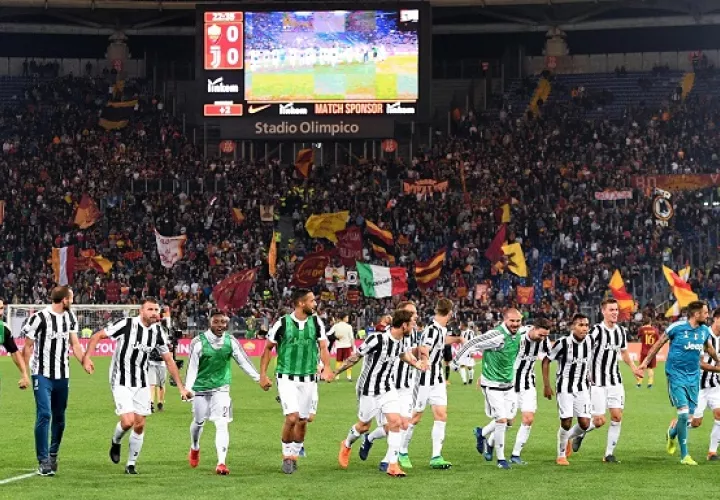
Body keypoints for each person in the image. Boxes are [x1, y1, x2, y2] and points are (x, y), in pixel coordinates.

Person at [82, 297, 191, 474]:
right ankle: (116, 441)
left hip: (142, 381)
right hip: (121, 380)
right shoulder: (126, 324)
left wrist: (181, 387)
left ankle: (131, 464)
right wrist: (87, 357)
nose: (155, 313)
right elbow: (97, 336)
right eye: (150, 309)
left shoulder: (158, 332)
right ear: (141, 311)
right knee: (128, 421)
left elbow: (169, 359)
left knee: (139, 425)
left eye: (156, 310)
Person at [335, 309, 426, 477]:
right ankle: (347, 443)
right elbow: (356, 356)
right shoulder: (377, 338)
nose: (413, 327)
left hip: (387, 388)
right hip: (368, 389)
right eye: (411, 325)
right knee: (363, 426)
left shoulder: (401, 341)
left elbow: (403, 355)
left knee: (396, 422)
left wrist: (417, 364)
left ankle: (392, 464)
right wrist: (336, 372)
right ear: (404, 325)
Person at [186, 310, 269, 475]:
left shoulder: (230, 341)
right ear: (210, 323)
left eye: (223, 322)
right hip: (200, 389)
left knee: (222, 423)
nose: (220, 326)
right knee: (198, 422)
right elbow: (192, 368)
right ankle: (195, 447)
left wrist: (259, 378)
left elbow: (243, 361)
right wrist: (187, 389)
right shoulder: (198, 342)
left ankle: (221, 463)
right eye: (216, 322)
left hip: (221, 388)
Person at [259, 288, 333, 474]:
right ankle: (286, 456)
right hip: (286, 377)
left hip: (309, 378)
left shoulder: (316, 322)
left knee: (303, 420)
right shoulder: (282, 323)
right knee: (292, 417)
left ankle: (294, 455)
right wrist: (263, 375)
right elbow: (268, 348)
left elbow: (323, 346)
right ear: (301, 303)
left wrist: (327, 367)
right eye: (312, 301)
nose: (315, 304)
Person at [639, 300, 720, 466]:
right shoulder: (676, 328)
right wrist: (644, 363)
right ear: (696, 314)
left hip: (693, 379)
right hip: (675, 376)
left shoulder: (704, 331)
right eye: (705, 313)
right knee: (683, 414)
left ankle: (672, 432)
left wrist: (718, 360)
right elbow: (658, 344)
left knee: (689, 417)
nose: (707, 315)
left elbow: (709, 349)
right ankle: (685, 455)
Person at [569, 299, 643, 463]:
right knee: (599, 420)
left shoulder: (621, 332)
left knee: (617, 417)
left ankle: (608, 454)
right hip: (597, 382)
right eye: (611, 310)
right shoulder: (595, 331)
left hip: (615, 381)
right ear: (603, 312)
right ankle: (576, 434)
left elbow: (624, 353)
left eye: (616, 309)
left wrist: (634, 369)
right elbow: (584, 350)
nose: (615, 312)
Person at [21, 286, 84, 476]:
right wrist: (25, 374)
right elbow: (28, 347)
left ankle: (53, 452)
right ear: (64, 299)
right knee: (44, 414)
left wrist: (84, 361)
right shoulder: (39, 318)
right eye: (71, 298)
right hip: (41, 374)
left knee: (59, 417)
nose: (72, 301)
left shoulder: (70, 318)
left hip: (62, 375)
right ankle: (43, 460)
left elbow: (74, 343)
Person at [452, 308, 523, 470]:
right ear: (505, 320)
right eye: (512, 321)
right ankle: (501, 459)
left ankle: (482, 433)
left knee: (510, 421)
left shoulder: (519, 334)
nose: (515, 324)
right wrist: (456, 362)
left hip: (509, 385)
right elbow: (471, 343)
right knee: (501, 420)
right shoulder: (496, 335)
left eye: (518, 321)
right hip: (492, 386)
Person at [401, 298, 462, 470]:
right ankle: (402, 451)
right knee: (415, 417)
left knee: (441, 415)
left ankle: (436, 456)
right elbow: (424, 347)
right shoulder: (432, 329)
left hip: (437, 379)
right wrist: (426, 360)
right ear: (450, 313)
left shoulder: (440, 330)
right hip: (424, 378)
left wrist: (458, 339)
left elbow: (441, 341)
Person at [358, 301, 418, 465]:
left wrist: (421, 361)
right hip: (386, 385)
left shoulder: (413, 333)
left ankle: (387, 459)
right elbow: (370, 359)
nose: (415, 317)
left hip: (406, 385)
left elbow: (413, 352)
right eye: (412, 313)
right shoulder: (386, 334)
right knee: (390, 425)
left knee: (404, 424)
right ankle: (371, 440)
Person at [541, 313, 593, 466]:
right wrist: (546, 385)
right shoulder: (562, 343)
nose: (584, 328)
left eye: (586, 325)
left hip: (583, 387)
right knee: (567, 422)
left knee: (585, 423)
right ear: (572, 327)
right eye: (580, 325)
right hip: (564, 387)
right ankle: (561, 455)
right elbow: (546, 361)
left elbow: (587, 361)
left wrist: (590, 375)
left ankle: (569, 437)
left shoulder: (590, 342)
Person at [506, 317, 552, 465]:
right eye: (541, 335)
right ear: (533, 328)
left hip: (528, 382)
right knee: (508, 420)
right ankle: (485, 436)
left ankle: (515, 455)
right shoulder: (517, 336)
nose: (543, 338)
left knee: (528, 418)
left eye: (546, 336)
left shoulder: (543, 340)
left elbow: (549, 358)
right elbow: (500, 356)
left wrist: (546, 385)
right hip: (510, 382)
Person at [690, 308, 720, 460]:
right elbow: (699, 362)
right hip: (699, 386)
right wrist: (718, 369)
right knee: (696, 422)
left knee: (719, 415)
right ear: (715, 318)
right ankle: (675, 427)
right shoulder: (703, 335)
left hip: (715, 385)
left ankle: (712, 452)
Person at [0, 299, 30, 398]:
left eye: (1, 309)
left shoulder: (3, 329)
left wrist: (24, 374)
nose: (0, 313)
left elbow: (15, 352)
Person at [148, 307, 172, 412]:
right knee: (152, 383)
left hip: (162, 361)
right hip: (151, 360)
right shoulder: (149, 328)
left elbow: (167, 316)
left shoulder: (165, 328)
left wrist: (166, 310)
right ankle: (151, 403)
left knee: (161, 384)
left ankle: (160, 402)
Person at [330, 313, 355, 381]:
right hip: (347, 346)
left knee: (339, 362)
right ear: (343, 318)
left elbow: (328, 334)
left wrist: (335, 337)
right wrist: (353, 348)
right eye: (347, 317)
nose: (348, 318)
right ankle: (349, 376)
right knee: (348, 362)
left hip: (339, 347)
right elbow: (352, 338)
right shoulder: (349, 326)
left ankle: (337, 376)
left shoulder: (335, 326)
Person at [636, 318, 660, 388]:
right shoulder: (655, 330)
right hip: (652, 352)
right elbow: (658, 341)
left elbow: (638, 337)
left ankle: (639, 384)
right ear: (650, 322)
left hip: (644, 351)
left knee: (641, 367)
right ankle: (650, 384)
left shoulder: (642, 329)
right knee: (650, 368)